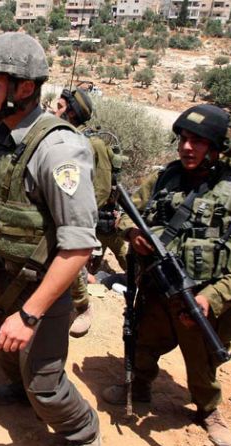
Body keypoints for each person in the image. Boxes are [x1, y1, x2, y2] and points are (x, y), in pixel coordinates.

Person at [0, 32, 102, 446]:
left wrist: (32, 314)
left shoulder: (58, 149)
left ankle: (83, 431)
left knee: (46, 382)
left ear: (23, 88)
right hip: (2, 272)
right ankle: (20, 390)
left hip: (42, 284)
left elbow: (78, 247)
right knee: (3, 347)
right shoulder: (2, 136)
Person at [101, 104, 231, 446]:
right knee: (144, 343)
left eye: (197, 141)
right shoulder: (164, 178)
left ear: (217, 148)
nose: (186, 147)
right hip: (155, 291)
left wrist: (214, 297)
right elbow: (123, 213)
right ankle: (140, 385)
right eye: (183, 138)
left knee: (203, 362)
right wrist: (132, 232)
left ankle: (208, 409)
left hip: (203, 300)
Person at [55, 87, 129, 337]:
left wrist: (78, 212)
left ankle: (84, 307)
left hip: (97, 218)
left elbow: (102, 187)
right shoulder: (59, 138)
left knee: (127, 262)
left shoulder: (93, 143)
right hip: (71, 214)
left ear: (73, 114)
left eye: (60, 107)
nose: (54, 110)